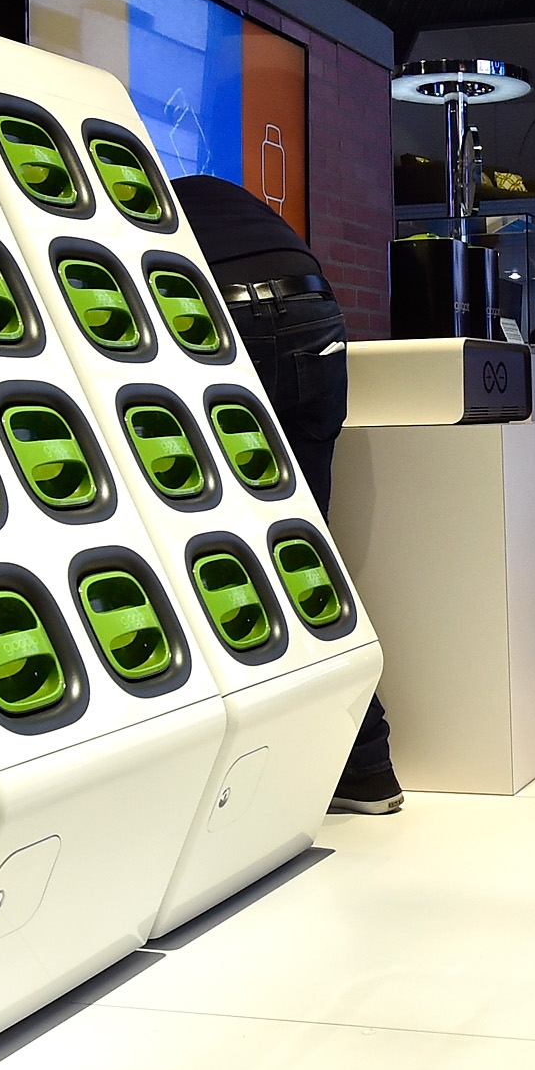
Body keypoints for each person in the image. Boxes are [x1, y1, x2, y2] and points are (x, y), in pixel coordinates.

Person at [171, 172, 401, 816]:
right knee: (304, 547)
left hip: (223, 314)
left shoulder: (127, 205)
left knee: (218, 549)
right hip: (314, 315)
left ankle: (238, 780)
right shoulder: (217, 196)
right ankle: (366, 766)